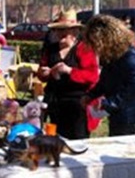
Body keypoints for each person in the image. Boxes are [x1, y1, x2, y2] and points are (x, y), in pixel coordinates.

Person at [82, 14, 135, 136]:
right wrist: (91, 95)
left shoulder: (131, 58)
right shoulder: (113, 57)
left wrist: (107, 103)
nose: (96, 49)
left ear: (107, 40)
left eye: (96, 44)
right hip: (122, 116)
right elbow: (105, 81)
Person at [37, 9, 99, 140]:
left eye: (66, 29)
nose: (62, 33)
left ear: (75, 31)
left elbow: (92, 76)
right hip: (54, 102)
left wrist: (69, 70)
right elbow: (41, 74)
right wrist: (45, 72)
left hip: (77, 105)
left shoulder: (84, 49)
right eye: (59, 30)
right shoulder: (51, 49)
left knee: (77, 141)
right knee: (54, 140)